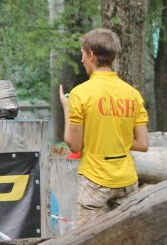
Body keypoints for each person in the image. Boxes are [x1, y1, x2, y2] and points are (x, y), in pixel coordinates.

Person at [58, 28, 149, 227]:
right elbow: (142, 144)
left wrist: (67, 109)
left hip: (94, 180)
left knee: (87, 244)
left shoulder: (80, 94)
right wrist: (116, 139)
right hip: (126, 180)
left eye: (83, 54)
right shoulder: (132, 94)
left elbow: (74, 145)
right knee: (127, 240)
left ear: (91, 54)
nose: (82, 60)